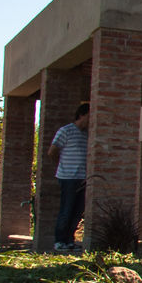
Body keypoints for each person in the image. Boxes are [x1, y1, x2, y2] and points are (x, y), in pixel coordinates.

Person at [46, 102, 90, 252]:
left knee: (78, 211)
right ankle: (60, 241)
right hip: (68, 177)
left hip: (83, 178)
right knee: (67, 209)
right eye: (90, 116)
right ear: (82, 115)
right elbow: (52, 151)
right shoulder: (66, 131)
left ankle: (70, 240)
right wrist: (63, 166)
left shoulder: (87, 134)